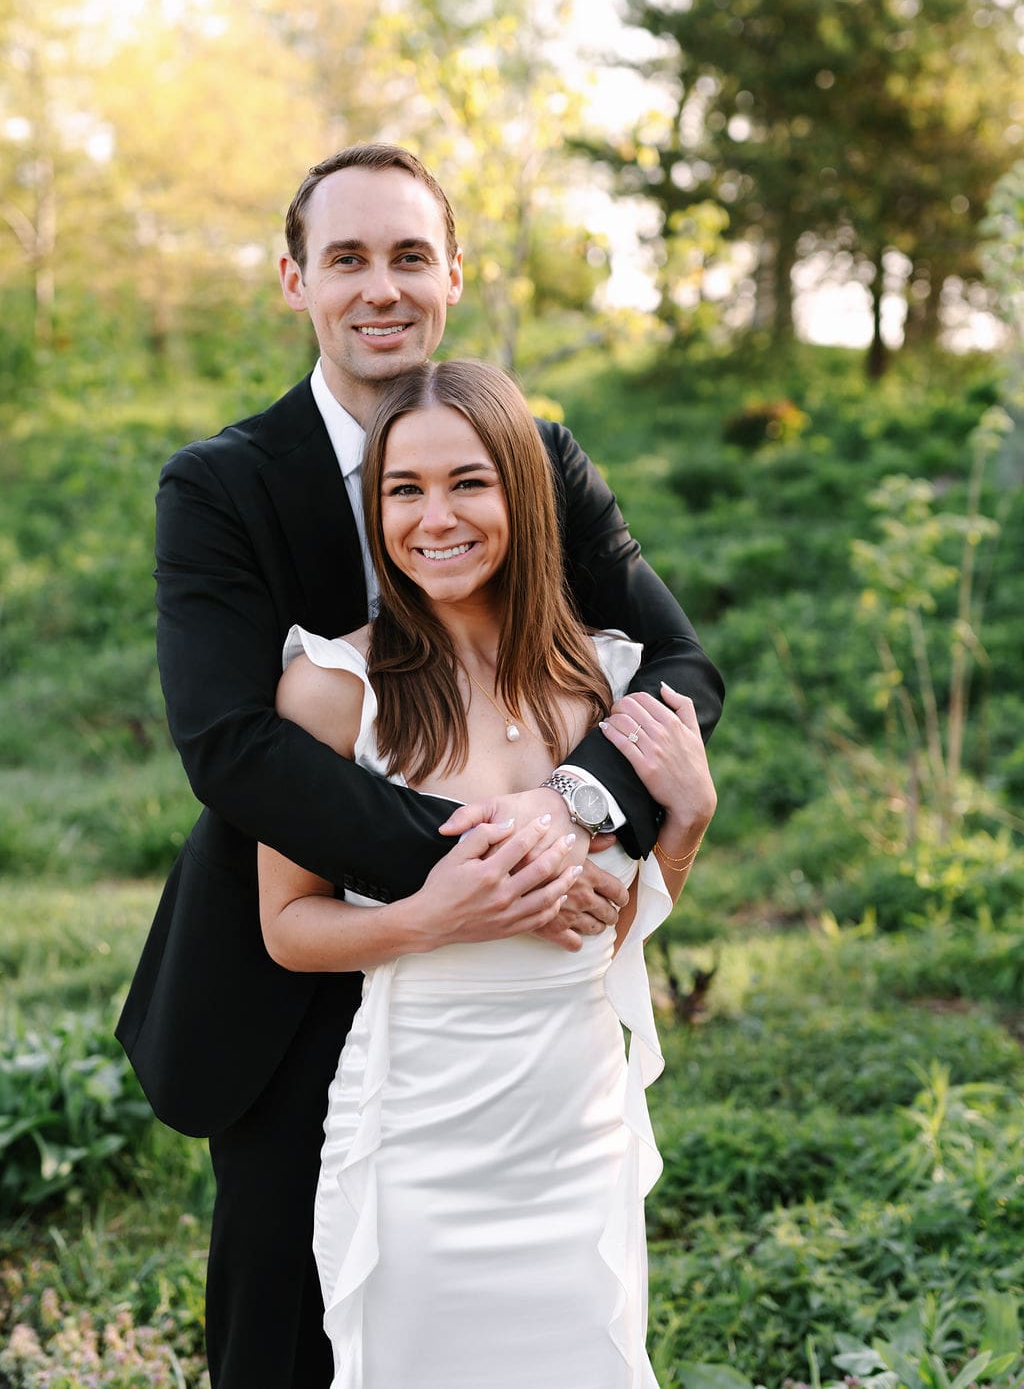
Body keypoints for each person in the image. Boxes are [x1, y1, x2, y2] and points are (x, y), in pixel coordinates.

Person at [115, 143, 724, 1389]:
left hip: (527, 1030)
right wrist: (484, 875)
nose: (380, 287)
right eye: (346, 258)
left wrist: (571, 811)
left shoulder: (533, 457)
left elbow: (675, 663)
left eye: (408, 255)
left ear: (453, 273)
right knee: (288, 1322)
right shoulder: (222, 484)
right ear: (295, 281)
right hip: (300, 958)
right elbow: (229, 745)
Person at [259, 358, 717, 1388]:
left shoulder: (603, 680)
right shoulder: (333, 688)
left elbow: (612, 929)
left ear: (523, 491)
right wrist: (434, 917)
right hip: (421, 1138)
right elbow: (287, 926)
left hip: (578, 1128)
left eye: (468, 482)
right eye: (404, 489)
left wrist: (686, 824)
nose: (435, 518)